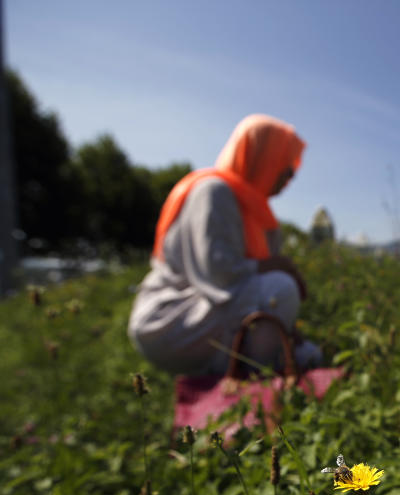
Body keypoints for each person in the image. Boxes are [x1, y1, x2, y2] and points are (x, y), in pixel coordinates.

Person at [128, 114, 322, 376]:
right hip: (170, 322)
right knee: (282, 287)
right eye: (285, 170)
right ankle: (250, 372)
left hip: (204, 316)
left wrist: (287, 331)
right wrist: (278, 265)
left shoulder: (252, 209)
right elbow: (220, 276)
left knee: (307, 351)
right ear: (264, 158)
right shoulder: (214, 193)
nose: (287, 181)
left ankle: (242, 364)